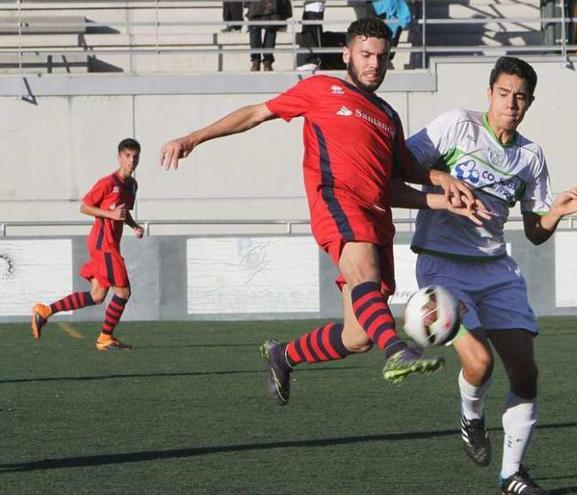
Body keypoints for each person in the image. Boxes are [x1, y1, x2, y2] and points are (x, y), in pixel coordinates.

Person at [159, 17, 488, 406]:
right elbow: (255, 113)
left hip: (377, 216)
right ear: (346, 53)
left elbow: (395, 182)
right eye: (366, 55)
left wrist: (439, 193)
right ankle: (397, 351)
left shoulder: (387, 116)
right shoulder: (320, 88)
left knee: (358, 336)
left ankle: (284, 355)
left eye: (382, 57)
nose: (374, 64)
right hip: (336, 201)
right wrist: (194, 137)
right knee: (364, 275)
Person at [405, 56, 577, 495]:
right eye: (504, 93)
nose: (511, 103)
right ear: (489, 93)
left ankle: (512, 475)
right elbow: (400, 164)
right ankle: (471, 415)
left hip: (496, 270)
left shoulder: (530, 156)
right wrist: (440, 177)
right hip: (442, 264)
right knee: (481, 363)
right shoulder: (456, 127)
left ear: (529, 102)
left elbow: (534, 231)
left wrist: (557, 213)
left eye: (520, 97)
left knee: (525, 374)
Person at [31, 138, 145, 351]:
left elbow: (123, 211)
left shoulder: (131, 185)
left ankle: (44, 311)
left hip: (110, 244)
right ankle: (105, 337)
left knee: (97, 296)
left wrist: (134, 225)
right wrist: (109, 213)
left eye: (135, 156)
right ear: (119, 157)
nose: (132, 160)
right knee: (123, 292)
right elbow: (85, 207)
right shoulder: (107, 183)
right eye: (127, 156)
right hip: (103, 244)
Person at [247, 0, 292, 71]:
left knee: (257, 30)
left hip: (261, 5)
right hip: (270, 5)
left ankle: (257, 61)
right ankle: (266, 61)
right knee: (268, 30)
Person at [296, 0, 325, 71]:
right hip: (310, 7)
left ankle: (313, 61)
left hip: (315, 8)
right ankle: (310, 60)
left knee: (312, 31)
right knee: (308, 32)